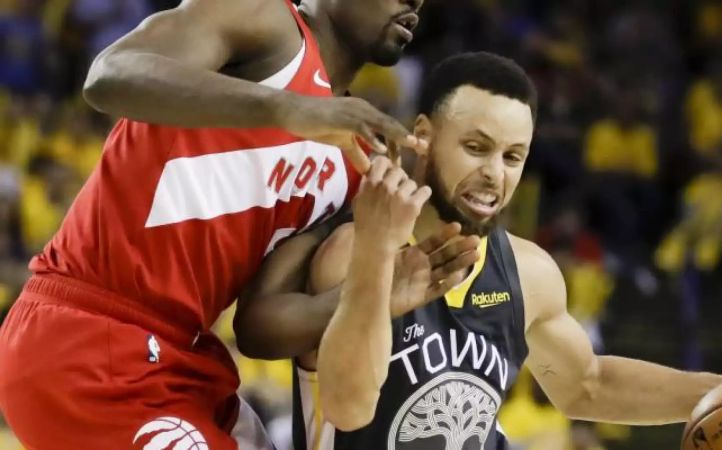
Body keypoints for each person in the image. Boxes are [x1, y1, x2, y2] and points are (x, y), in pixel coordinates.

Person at [237, 52, 722, 450]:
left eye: (512, 156)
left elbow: (589, 385)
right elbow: (344, 405)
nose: (494, 175)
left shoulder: (529, 271)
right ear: (421, 136)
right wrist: (376, 256)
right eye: (475, 147)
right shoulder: (354, 249)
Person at [0, 0, 430, 447]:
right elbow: (109, 74)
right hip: (88, 335)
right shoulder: (262, 20)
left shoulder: (355, 158)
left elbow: (257, 328)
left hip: (184, 360)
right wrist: (290, 109)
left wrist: (373, 291)